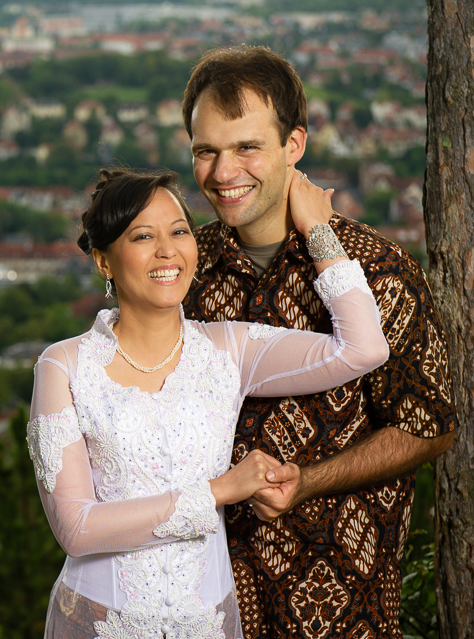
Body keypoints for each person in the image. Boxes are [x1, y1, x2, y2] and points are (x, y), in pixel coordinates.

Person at [26, 166, 389, 638]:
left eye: (179, 231)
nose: (167, 251)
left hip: (206, 624)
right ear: (104, 261)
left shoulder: (230, 351)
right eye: (142, 237)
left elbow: (364, 349)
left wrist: (318, 231)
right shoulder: (63, 366)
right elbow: (76, 528)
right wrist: (220, 490)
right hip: (100, 623)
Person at [181, 45, 457, 639]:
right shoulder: (183, 271)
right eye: (207, 151)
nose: (224, 172)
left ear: (294, 146)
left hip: (340, 612)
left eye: (247, 147)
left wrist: (309, 480)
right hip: (197, 603)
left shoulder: (377, 270)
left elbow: (429, 425)